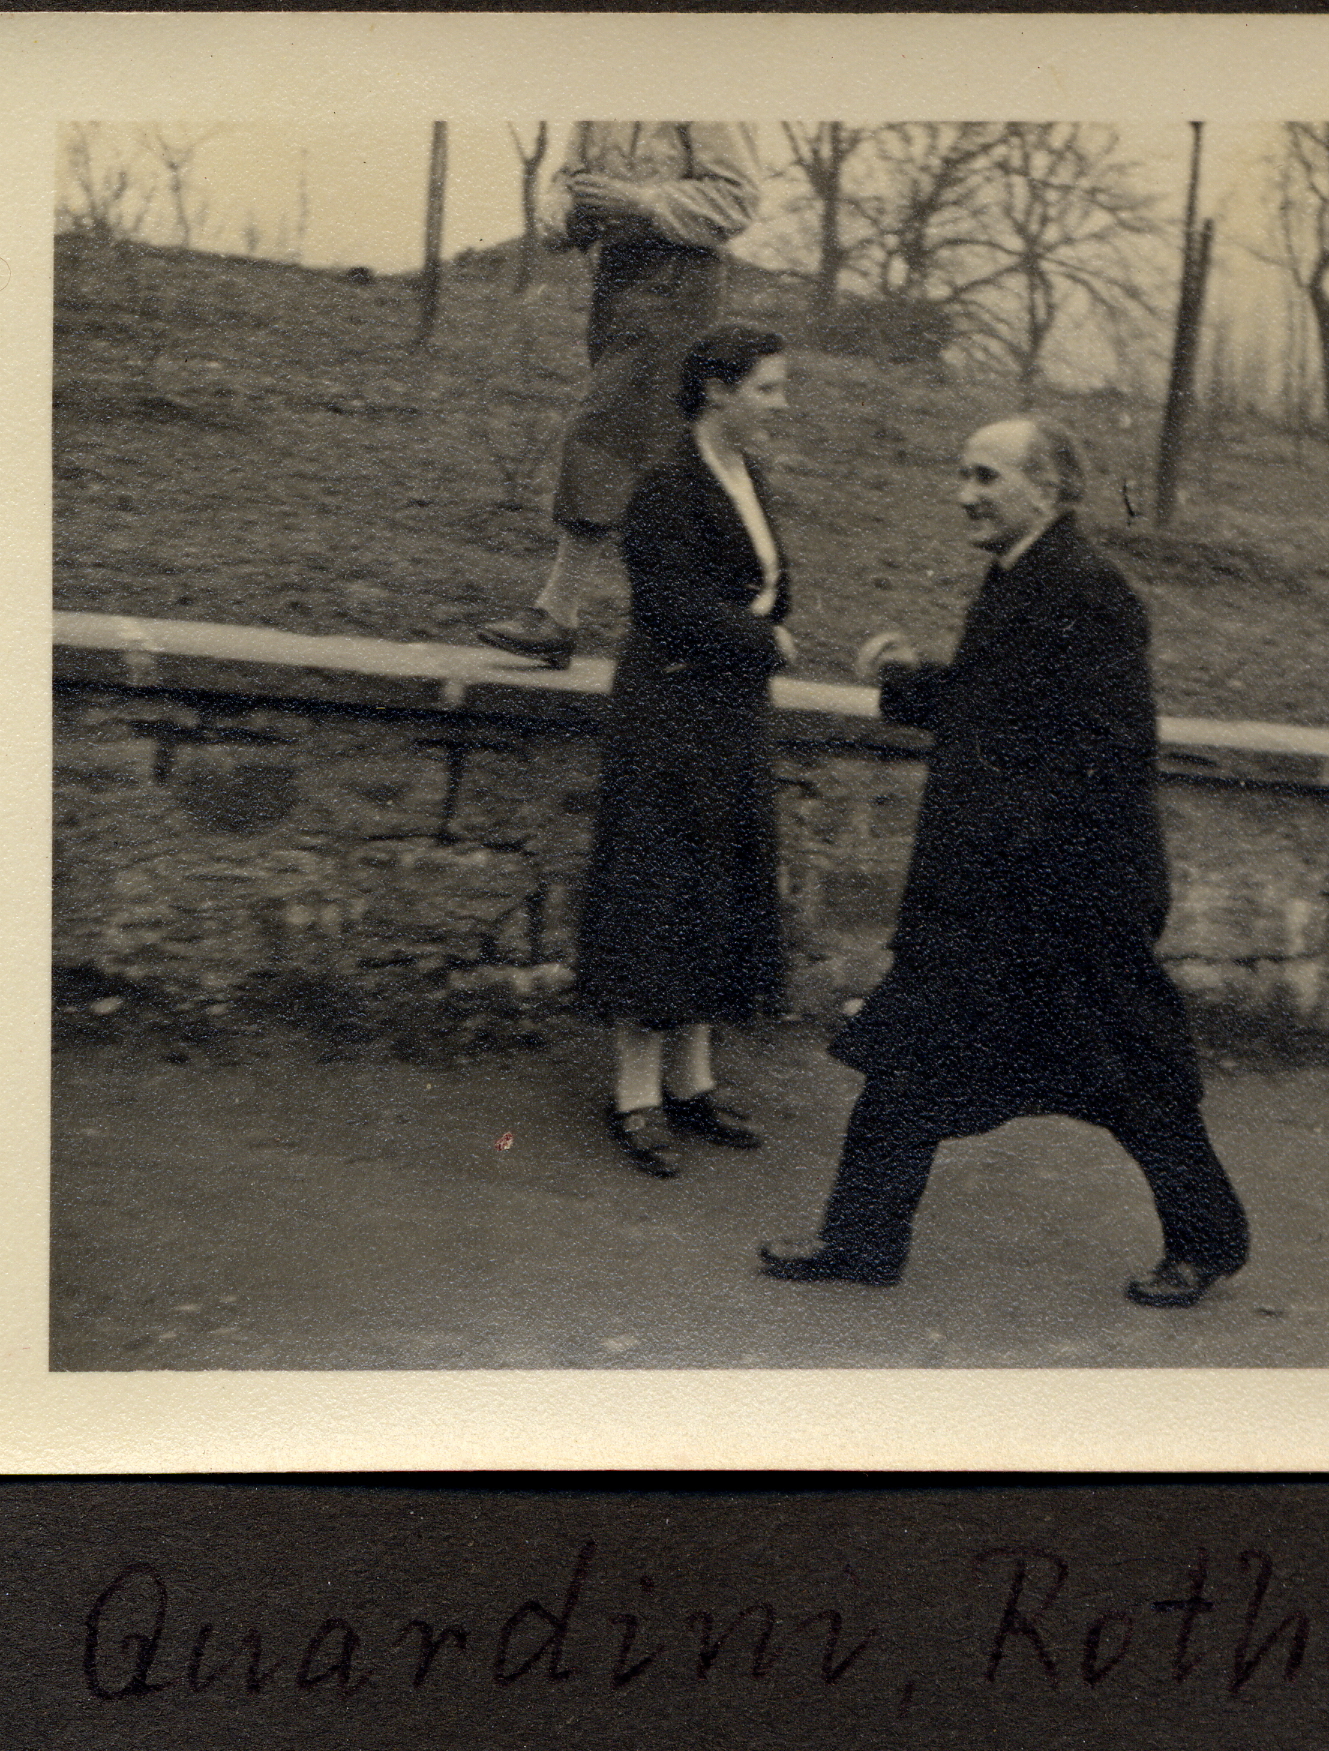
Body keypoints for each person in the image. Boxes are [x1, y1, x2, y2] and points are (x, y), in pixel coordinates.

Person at [758, 417, 1249, 1307]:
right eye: (962, 475)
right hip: (996, 896)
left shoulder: (1089, 591)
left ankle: (1206, 1240)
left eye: (985, 476)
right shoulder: (1024, 574)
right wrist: (909, 679)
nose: (965, 495)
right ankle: (861, 1238)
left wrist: (1022, 863)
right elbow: (1001, 702)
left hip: (1070, 902)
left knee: (1132, 1077)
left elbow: (1108, 754)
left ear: (1047, 488)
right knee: (909, 1054)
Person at [575, 325, 796, 1178]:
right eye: (767, 388)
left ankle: (692, 1082)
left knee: (716, 886)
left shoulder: (748, 477)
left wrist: (760, 631)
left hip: (730, 713)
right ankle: (635, 1095)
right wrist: (763, 640)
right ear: (716, 389)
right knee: (659, 889)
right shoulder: (669, 483)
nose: (779, 403)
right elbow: (666, 605)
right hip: (669, 714)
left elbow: (768, 582)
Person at [479, 123, 763, 671]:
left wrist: (641, 201)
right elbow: (562, 186)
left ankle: (558, 613)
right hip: (615, 283)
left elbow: (738, 199)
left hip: (679, 282)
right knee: (659, 455)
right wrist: (572, 216)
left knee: (602, 431)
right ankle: (700, 626)